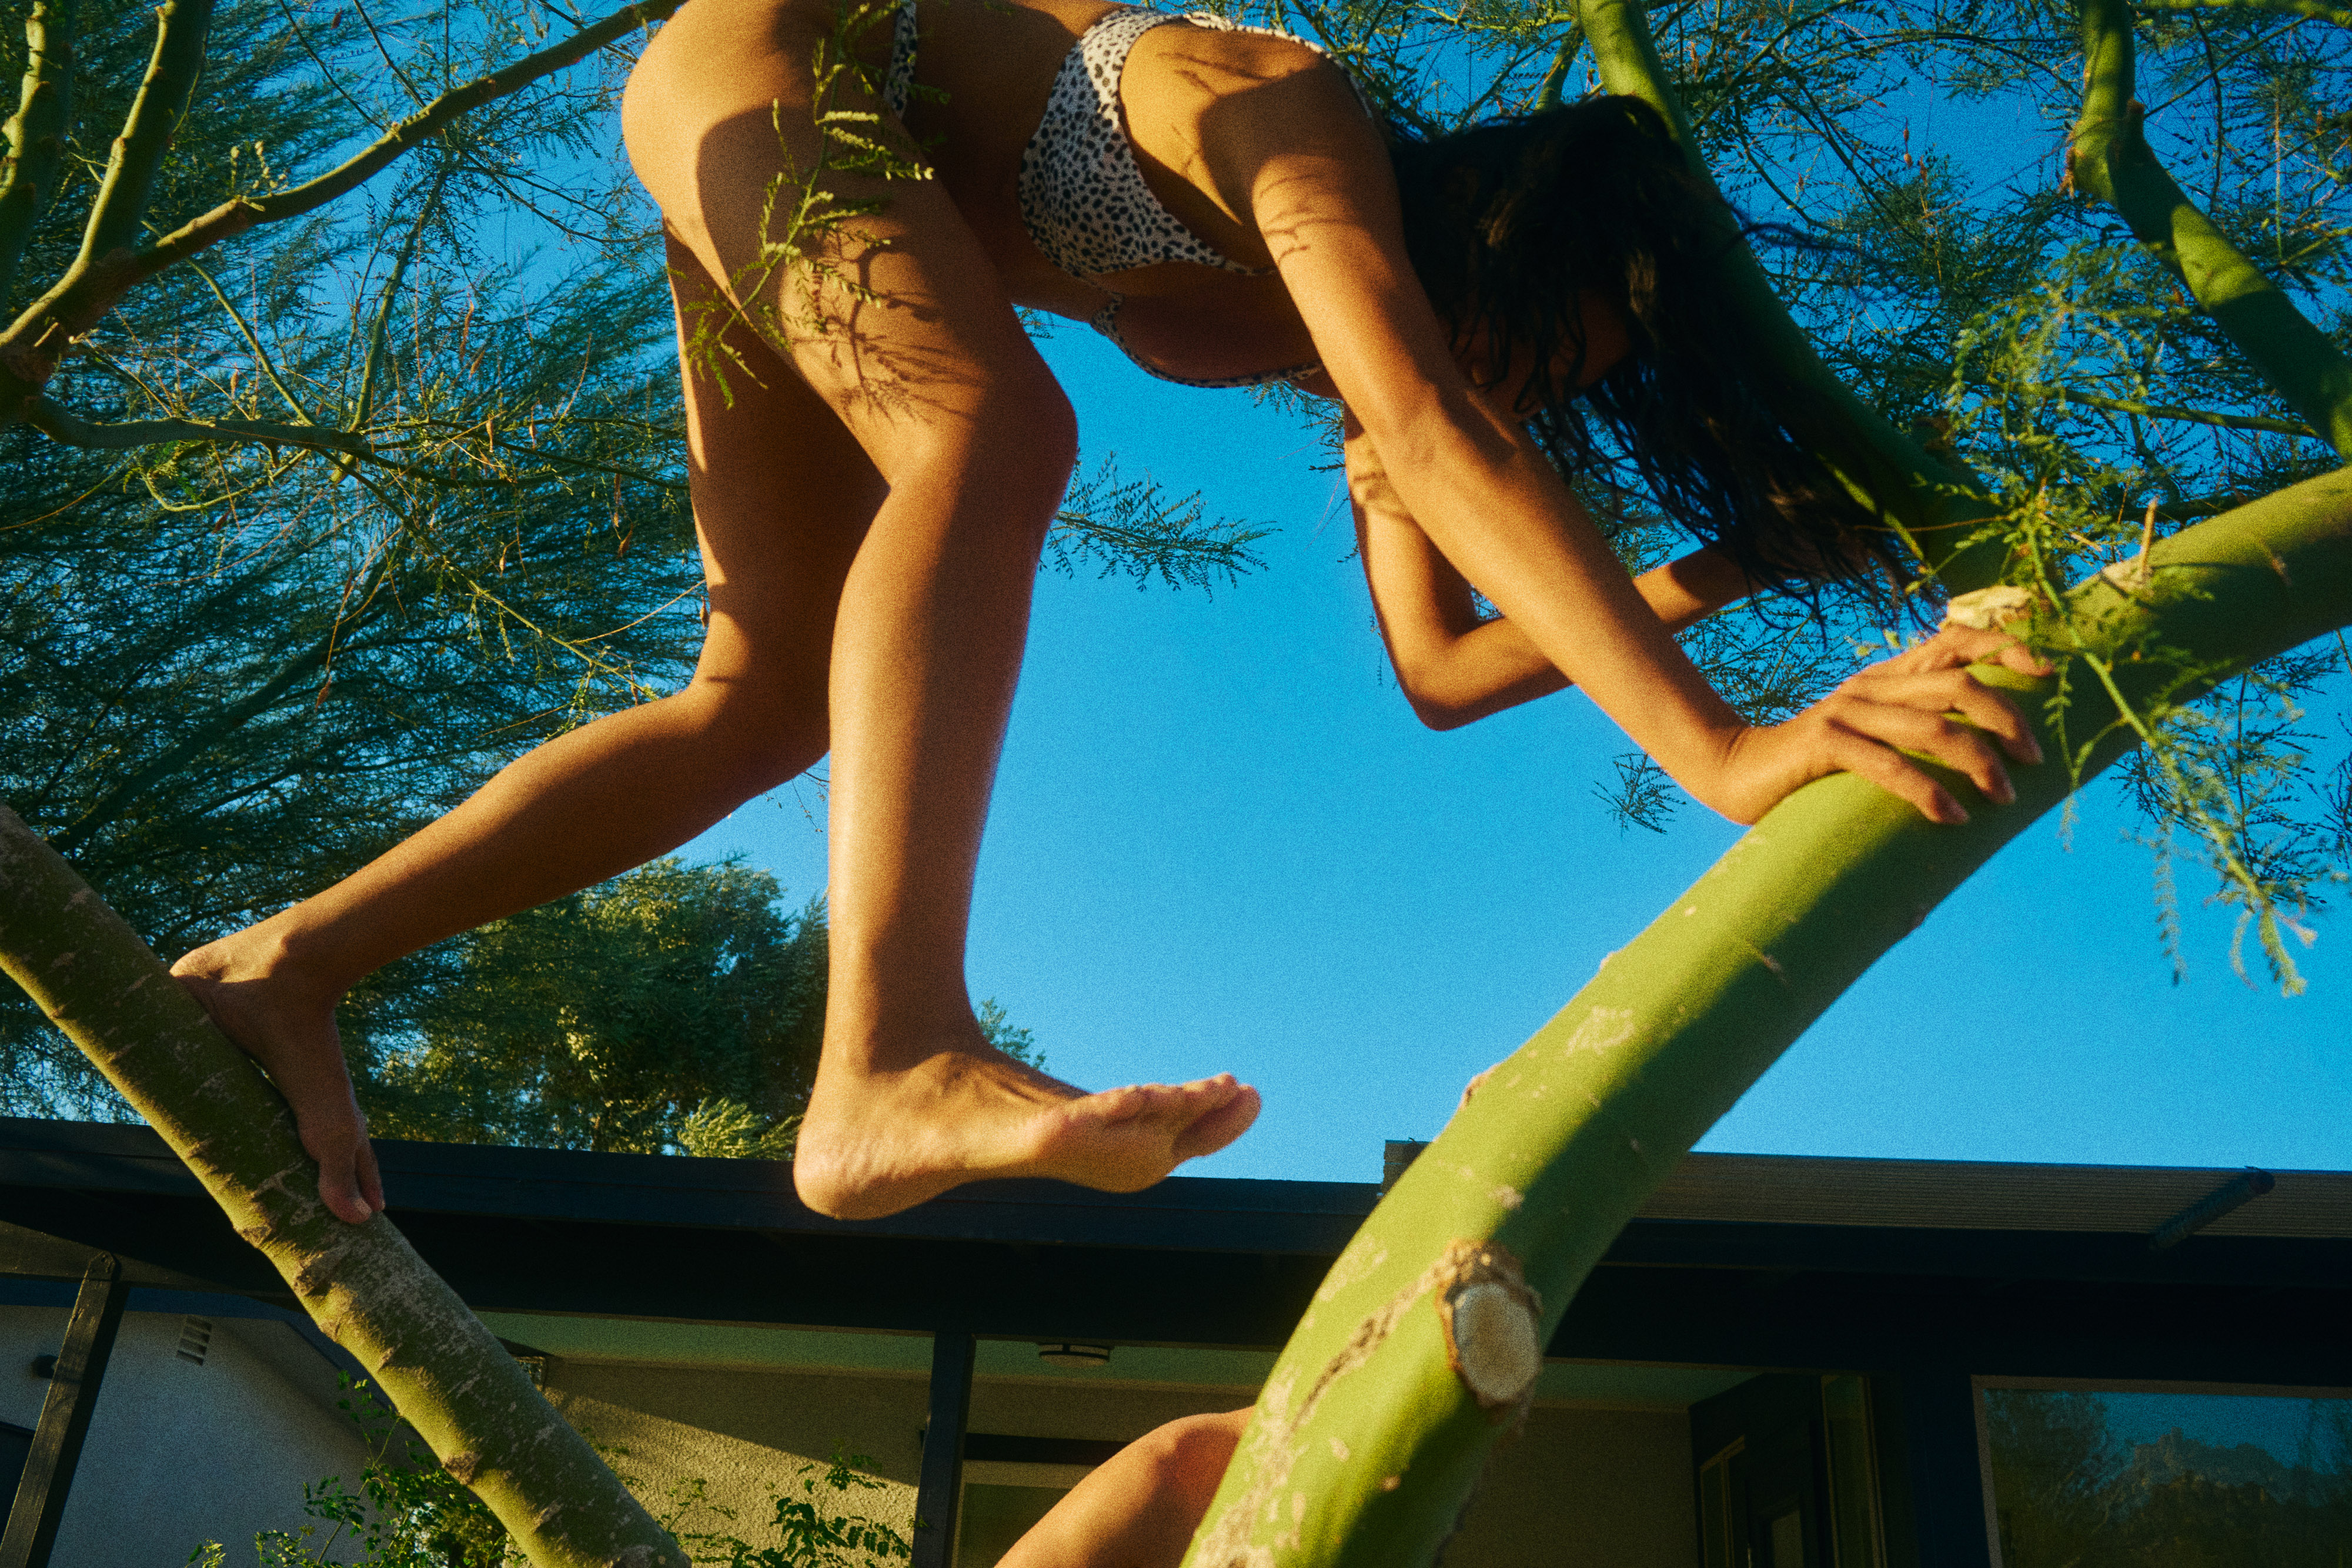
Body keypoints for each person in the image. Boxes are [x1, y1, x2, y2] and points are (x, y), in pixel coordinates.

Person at [171, 0, 2047, 1228]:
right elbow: (1441, 424)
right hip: (792, 51)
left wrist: (1727, 569)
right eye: (1562, 347)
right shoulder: (1298, 117)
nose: (1543, 396)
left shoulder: (1378, 379)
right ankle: (890, 1051)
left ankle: (292, 961)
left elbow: (1443, 668)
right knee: (993, 431)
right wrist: (1729, 749)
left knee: (766, 697)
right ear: (1510, 240)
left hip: (796, 162)